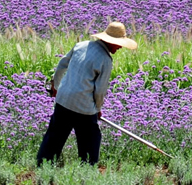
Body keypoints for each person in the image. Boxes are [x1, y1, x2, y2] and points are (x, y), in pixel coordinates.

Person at [37, 22, 138, 166]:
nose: (120, 46)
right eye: (118, 44)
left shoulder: (81, 45)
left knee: (54, 138)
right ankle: (87, 171)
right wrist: (97, 109)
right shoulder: (106, 60)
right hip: (83, 107)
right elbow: (100, 91)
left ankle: (42, 167)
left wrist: (56, 87)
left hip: (63, 100)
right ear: (110, 42)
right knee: (90, 142)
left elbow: (62, 64)